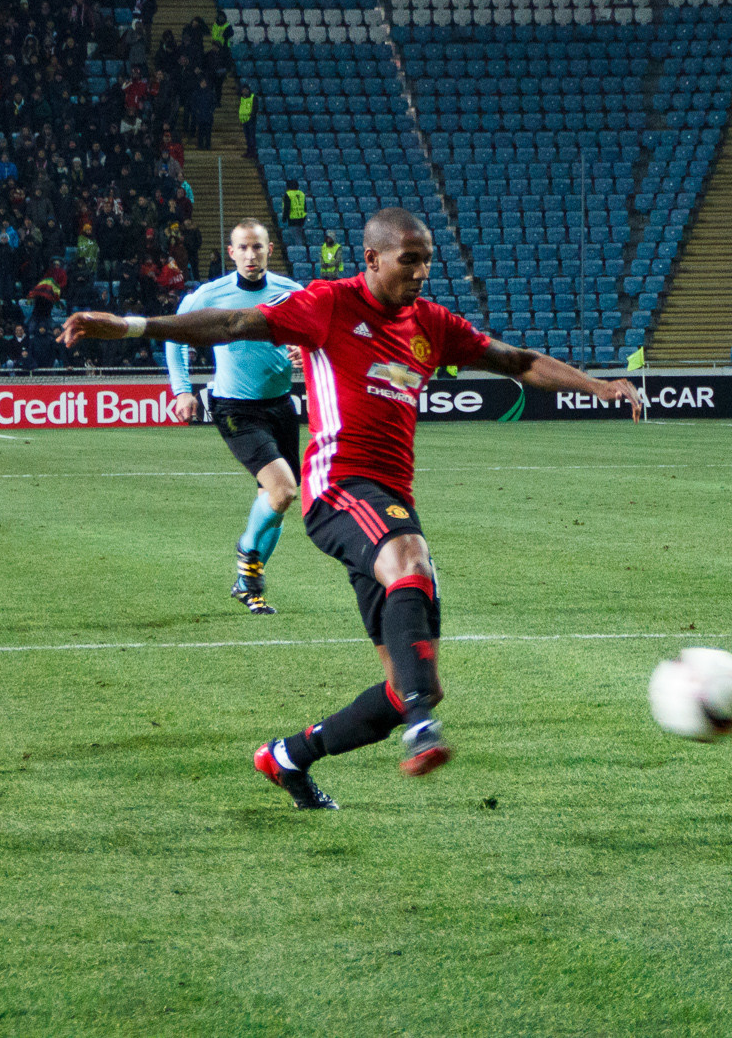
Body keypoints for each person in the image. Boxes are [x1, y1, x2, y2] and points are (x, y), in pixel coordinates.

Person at [63, 208, 644, 806]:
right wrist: (133, 327)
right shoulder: (329, 305)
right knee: (410, 563)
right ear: (372, 259)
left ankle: (289, 756)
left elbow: (515, 360)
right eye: (408, 260)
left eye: (426, 261)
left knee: (410, 682)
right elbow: (235, 320)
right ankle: (421, 729)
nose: (421, 272)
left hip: (391, 497)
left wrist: (599, 385)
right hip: (340, 487)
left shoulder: (432, 323)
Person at [164, 220, 304, 614]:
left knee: (276, 502)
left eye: (257, 247)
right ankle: (247, 557)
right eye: (242, 248)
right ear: (231, 252)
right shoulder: (210, 295)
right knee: (283, 490)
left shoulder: (291, 293)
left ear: (269, 250)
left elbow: (317, 335)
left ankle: (248, 582)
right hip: (234, 408)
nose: (250, 255)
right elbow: (174, 337)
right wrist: (182, 390)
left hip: (280, 405)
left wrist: (304, 349)